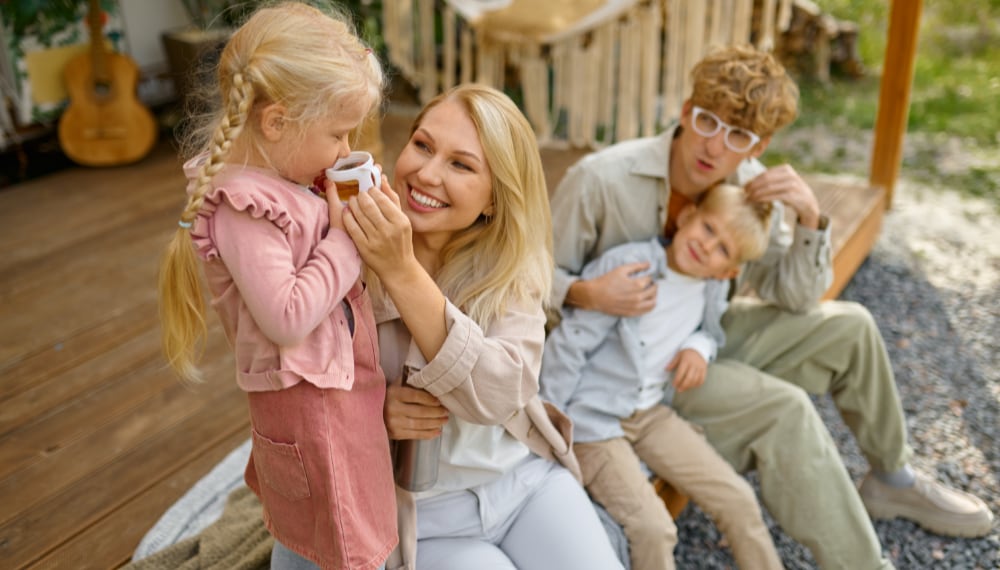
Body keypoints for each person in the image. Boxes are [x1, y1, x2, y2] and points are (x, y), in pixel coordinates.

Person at [549, 44, 994, 569]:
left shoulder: (750, 189)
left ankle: (893, 479)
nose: (715, 147)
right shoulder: (600, 179)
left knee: (851, 325)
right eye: (707, 122)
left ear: (759, 143)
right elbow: (528, 280)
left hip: (698, 336)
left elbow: (796, 296)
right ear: (687, 110)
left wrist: (810, 218)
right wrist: (585, 293)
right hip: (623, 368)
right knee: (785, 408)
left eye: (737, 137)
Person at [342, 83, 625, 570]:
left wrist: (404, 271)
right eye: (423, 146)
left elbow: (502, 393)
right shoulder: (347, 254)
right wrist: (372, 414)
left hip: (521, 482)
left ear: (494, 198)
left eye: (461, 164)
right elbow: (298, 389)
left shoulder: (511, 267)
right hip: (421, 515)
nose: (426, 174)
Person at [156, 3, 397, 569]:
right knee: (340, 535)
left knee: (321, 528)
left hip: (334, 394)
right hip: (312, 409)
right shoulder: (245, 206)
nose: (343, 150)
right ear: (277, 123)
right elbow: (286, 315)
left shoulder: (282, 174)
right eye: (338, 134)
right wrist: (343, 239)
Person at [541, 183, 783, 570]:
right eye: (708, 229)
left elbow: (711, 331)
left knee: (738, 497)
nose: (707, 246)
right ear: (688, 217)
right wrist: (548, 424)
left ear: (728, 271)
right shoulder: (631, 268)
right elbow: (571, 344)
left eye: (722, 249)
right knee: (654, 528)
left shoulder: (712, 288)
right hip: (594, 418)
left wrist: (699, 348)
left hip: (650, 415)